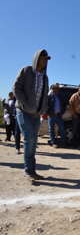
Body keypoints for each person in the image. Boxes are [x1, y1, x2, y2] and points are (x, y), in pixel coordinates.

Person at [12, 49, 50, 181]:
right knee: (29, 140)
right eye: (42, 58)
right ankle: (29, 172)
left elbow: (44, 96)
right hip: (23, 111)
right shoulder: (26, 71)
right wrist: (26, 103)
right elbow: (16, 88)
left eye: (46, 60)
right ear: (36, 59)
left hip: (36, 114)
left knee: (34, 142)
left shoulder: (45, 77)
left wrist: (42, 109)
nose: (44, 61)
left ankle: (32, 171)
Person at [46, 83, 68, 148]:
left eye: (58, 88)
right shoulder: (49, 97)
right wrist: (48, 113)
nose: (58, 89)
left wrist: (62, 112)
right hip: (52, 115)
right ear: (54, 89)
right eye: (57, 88)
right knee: (51, 130)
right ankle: (53, 143)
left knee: (62, 129)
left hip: (59, 115)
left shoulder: (61, 96)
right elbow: (45, 106)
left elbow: (64, 105)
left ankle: (63, 143)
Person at [68, 84, 80, 148]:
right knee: (75, 130)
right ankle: (75, 143)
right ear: (78, 89)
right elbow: (70, 105)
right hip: (76, 114)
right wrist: (73, 114)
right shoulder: (74, 96)